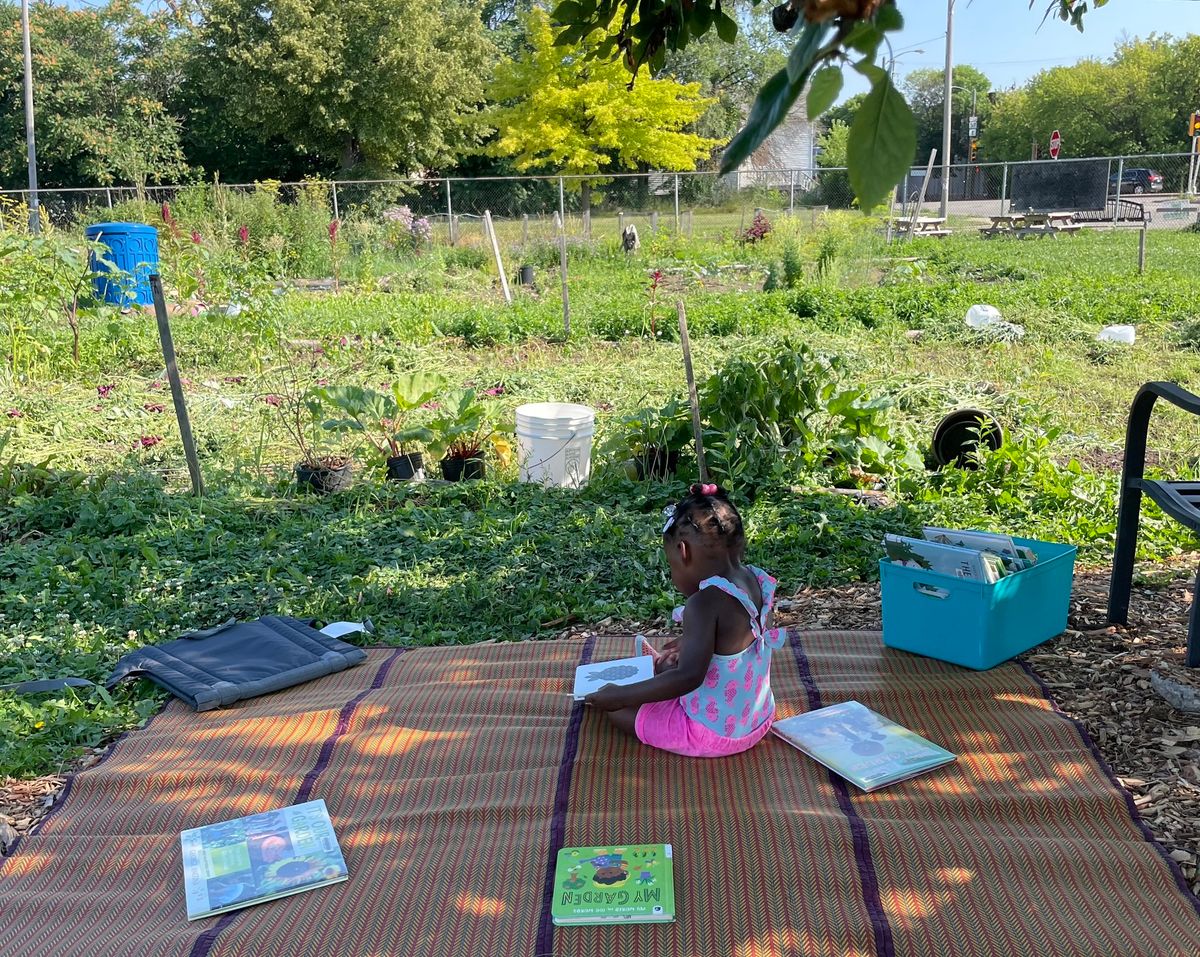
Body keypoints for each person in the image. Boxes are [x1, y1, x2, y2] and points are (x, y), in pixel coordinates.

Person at [584, 483, 786, 757]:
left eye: (671, 564)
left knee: (619, 713)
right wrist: (690, 643)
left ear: (683, 552)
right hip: (758, 719)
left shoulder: (703, 604)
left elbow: (689, 678)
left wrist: (619, 695)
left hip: (712, 734)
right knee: (668, 668)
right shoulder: (756, 580)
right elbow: (741, 635)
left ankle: (624, 701)